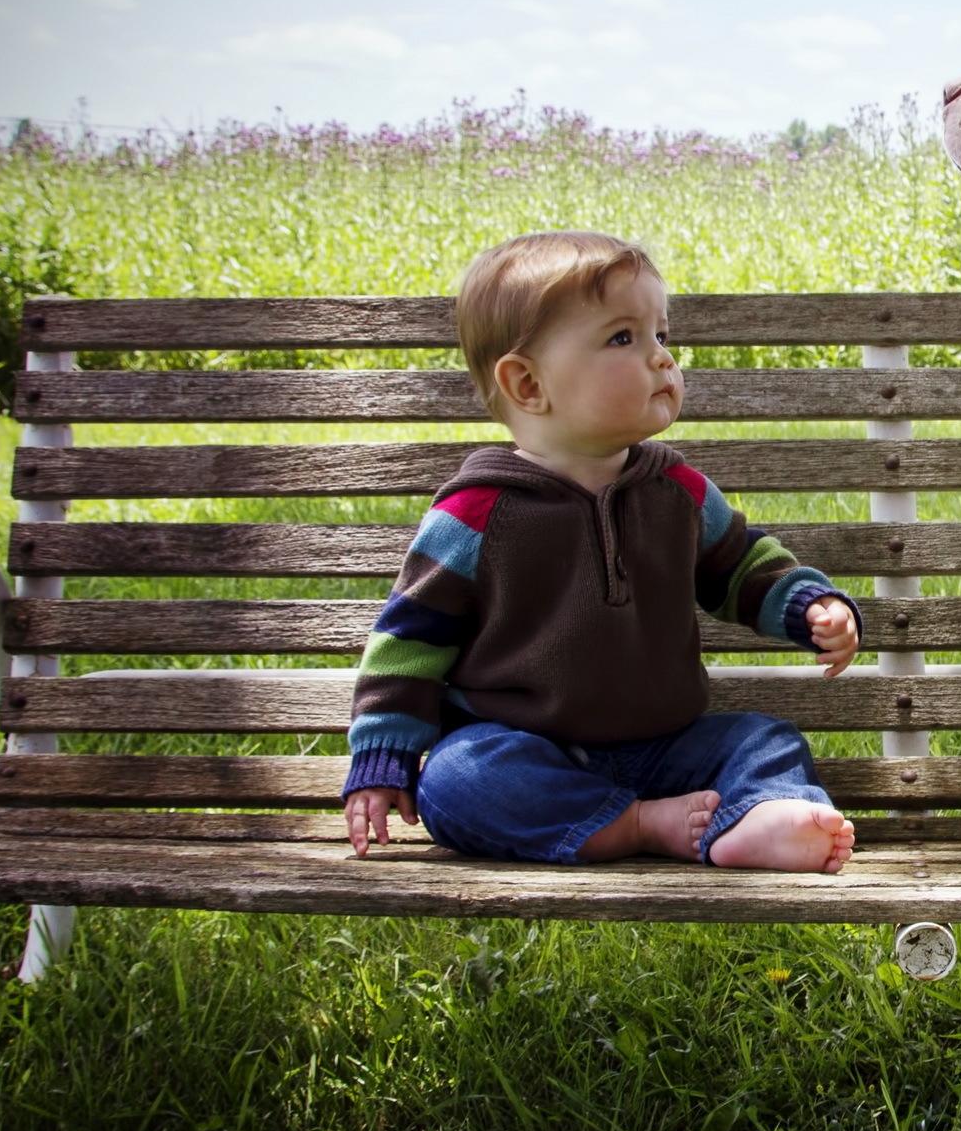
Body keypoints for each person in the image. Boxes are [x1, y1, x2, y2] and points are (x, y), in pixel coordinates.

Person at [340, 230, 862, 873]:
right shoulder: (476, 515)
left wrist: (808, 604)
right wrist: (384, 751)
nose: (662, 359)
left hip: (669, 749)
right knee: (456, 778)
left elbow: (741, 564)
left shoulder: (678, 493)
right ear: (528, 384)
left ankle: (760, 817)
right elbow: (410, 637)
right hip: (528, 749)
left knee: (763, 739)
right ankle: (642, 824)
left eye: (661, 337)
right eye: (624, 338)